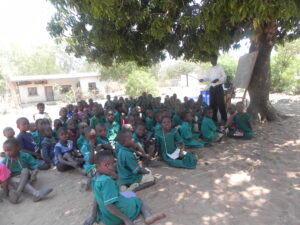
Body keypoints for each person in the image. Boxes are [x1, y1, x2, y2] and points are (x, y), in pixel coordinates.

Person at [83, 150, 166, 225]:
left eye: (112, 164)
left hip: (107, 218)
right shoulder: (107, 181)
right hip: (116, 218)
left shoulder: (95, 179)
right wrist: (126, 220)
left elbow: (96, 198)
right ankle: (148, 216)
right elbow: (109, 205)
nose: (111, 167)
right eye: (107, 165)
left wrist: (93, 216)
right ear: (97, 167)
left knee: (127, 194)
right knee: (138, 201)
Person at [1, 139, 53, 203]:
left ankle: (17, 193)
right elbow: (4, 176)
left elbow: (35, 166)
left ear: (18, 148)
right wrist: (8, 164)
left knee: (25, 170)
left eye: (9, 150)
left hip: (27, 177)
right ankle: (36, 194)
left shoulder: (25, 156)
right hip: (14, 180)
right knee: (15, 180)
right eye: (5, 151)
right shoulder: (5, 161)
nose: (7, 153)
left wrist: (34, 172)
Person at [200, 53, 227, 123]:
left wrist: (218, 79)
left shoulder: (220, 67)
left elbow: (224, 77)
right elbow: (207, 77)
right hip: (212, 88)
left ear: (216, 59)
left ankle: (224, 119)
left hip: (218, 88)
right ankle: (214, 120)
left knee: (221, 104)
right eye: (210, 60)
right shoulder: (209, 69)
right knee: (212, 105)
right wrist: (203, 79)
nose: (211, 61)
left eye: (212, 59)